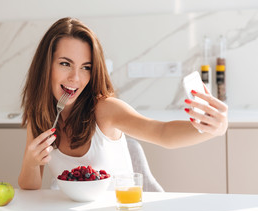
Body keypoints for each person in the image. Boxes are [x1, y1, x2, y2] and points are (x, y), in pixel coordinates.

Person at [18, 17, 228, 190]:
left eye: (86, 67)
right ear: (46, 66)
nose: (75, 77)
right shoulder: (41, 115)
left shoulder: (105, 110)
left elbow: (162, 132)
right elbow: (31, 189)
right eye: (65, 64)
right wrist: (30, 162)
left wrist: (213, 129)